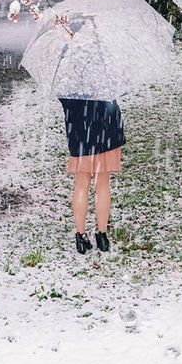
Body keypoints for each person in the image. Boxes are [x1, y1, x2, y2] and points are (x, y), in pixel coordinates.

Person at [58, 97, 125, 254]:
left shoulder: (68, 81)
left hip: (79, 129)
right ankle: (102, 236)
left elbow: (64, 100)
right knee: (102, 182)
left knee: (82, 183)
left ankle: (80, 236)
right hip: (106, 125)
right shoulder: (104, 76)